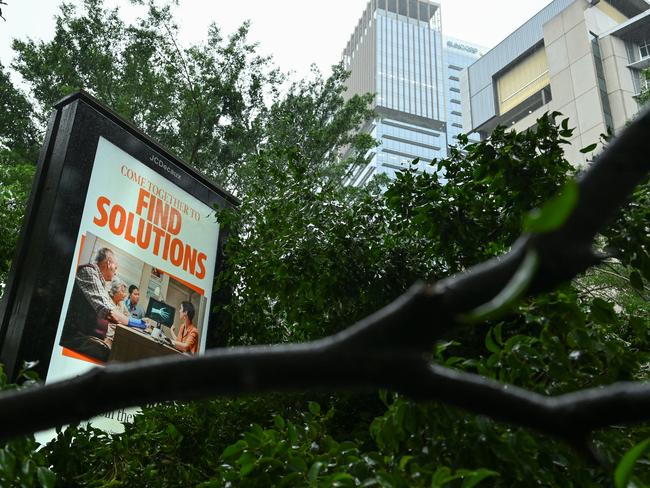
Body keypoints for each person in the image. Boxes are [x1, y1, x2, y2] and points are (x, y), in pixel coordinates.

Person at [60, 247, 144, 361]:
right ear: (109, 263)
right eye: (115, 267)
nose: (116, 271)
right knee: (116, 356)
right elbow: (111, 313)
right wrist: (140, 324)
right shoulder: (89, 272)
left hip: (87, 335)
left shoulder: (99, 280)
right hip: (77, 336)